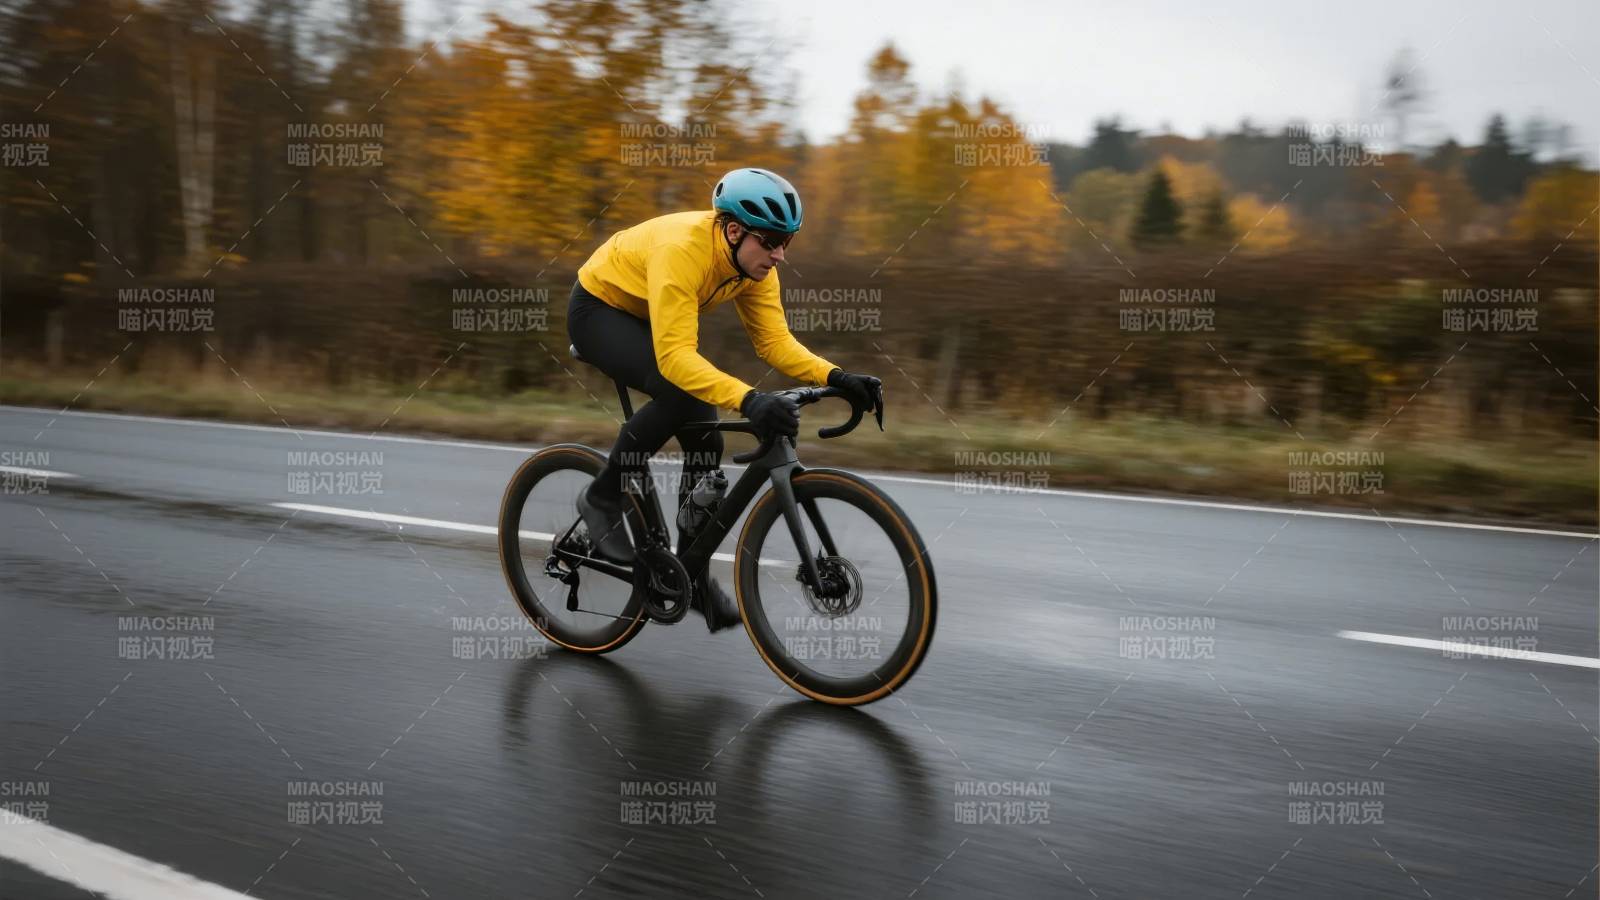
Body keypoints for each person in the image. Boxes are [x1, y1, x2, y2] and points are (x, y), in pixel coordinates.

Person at [568, 167, 882, 632]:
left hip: (648, 315)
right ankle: (602, 497)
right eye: (771, 241)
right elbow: (675, 359)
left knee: (705, 439)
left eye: (787, 243)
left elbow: (774, 342)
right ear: (733, 230)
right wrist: (750, 400)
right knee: (679, 390)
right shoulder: (684, 250)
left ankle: (688, 576)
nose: (779, 255)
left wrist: (836, 375)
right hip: (599, 310)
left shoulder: (754, 265)